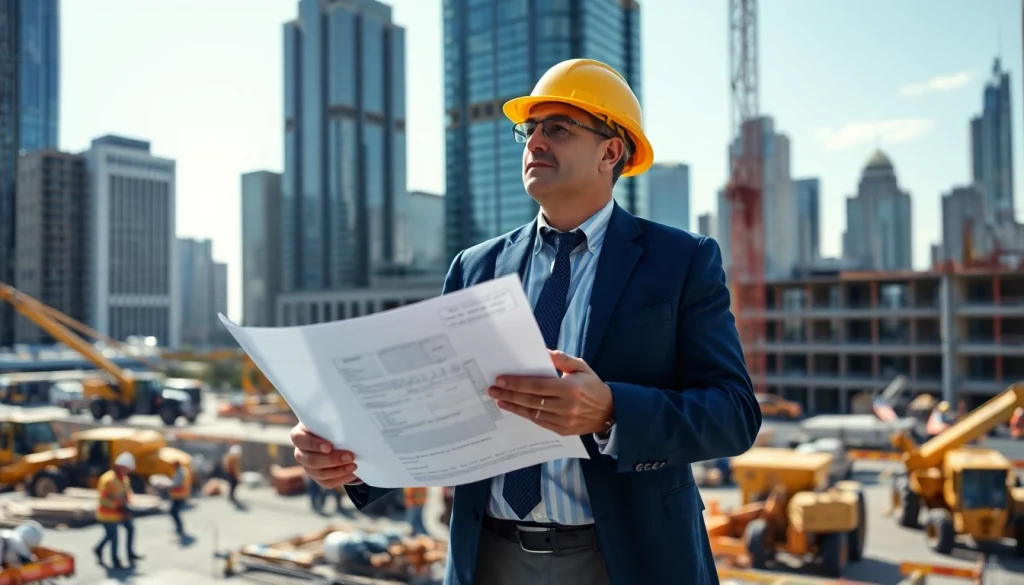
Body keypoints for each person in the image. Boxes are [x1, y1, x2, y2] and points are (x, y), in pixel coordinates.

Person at [290, 58, 761, 585]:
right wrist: (350, 458)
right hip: (489, 558)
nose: (534, 142)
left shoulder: (681, 261)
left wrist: (611, 412)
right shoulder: (475, 267)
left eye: (557, 128)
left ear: (611, 151)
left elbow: (734, 413)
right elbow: (439, 408)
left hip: (626, 559)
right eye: (529, 129)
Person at [94, 452, 144, 568]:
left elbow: (127, 493)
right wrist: (117, 504)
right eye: (126, 469)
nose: (128, 472)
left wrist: (127, 504)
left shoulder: (125, 479)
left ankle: (130, 554)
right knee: (114, 537)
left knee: (130, 528)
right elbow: (102, 500)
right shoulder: (108, 480)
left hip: (120, 512)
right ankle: (115, 561)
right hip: (107, 514)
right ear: (120, 467)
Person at [167, 460, 191, 536]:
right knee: (175, 512)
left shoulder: (180, 473)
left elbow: (176, 484)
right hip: (178, 495)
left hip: (179, 495)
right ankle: (179, 528)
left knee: (174, 512)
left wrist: (168, 486)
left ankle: (180, 528)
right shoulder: (181, 471)